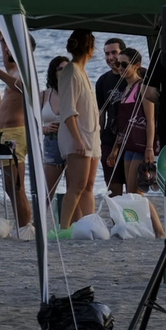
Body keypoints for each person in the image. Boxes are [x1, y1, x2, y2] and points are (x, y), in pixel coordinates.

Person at [0, 30, 34, 232]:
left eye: (10, 47)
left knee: (16, 184)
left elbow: (23, 87)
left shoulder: (26, 68)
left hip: (17, 133)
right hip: (6, 133)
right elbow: (8, 64)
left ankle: (25, 226)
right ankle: (21, 224)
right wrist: (2, 39)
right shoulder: (13, 68)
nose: (6, 51)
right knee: (9, 185)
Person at [56, 30, 100, 230]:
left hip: (90, 135)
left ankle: (88, 224)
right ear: (90, 48)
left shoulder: (82, 71)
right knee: (76, 186)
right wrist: (78, 139)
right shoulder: (71, 71)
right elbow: (68, 109)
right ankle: (64, 227)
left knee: (89, 186)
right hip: (77, 136)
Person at [106, 46, 157, 197]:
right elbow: (124, 124)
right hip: (129, 144)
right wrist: (115, 149)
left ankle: (152, 222)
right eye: (117, 64)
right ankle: (140, 221)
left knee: (136, 192)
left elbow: (151, 119)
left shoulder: (142, 87)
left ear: (136, 65)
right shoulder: (126, 89)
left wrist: (149, 148)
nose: (120, 68)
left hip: (141, 145)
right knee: (130, 192)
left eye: (124, 64)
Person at [95, 37, 128, 186]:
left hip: (133, 140)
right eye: (107, 54)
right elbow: (100, 114)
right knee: (113, 191)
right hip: (109, 139)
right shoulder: (103, 80)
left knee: (135, 193)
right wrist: (98, 139)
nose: (110, 58)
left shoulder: (138, 76)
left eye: (114, 52)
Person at [40, 56, 68, 195]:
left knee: (74, 191)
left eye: (67, 69)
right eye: (60, 69)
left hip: (72, 142)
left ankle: (77, 218)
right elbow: (30, 124)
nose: (64, 72)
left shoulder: (76, 93)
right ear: (54, 72)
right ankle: (41, 217)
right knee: (46, 191)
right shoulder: (44, 95)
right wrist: (44, 129)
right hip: (51, 142)